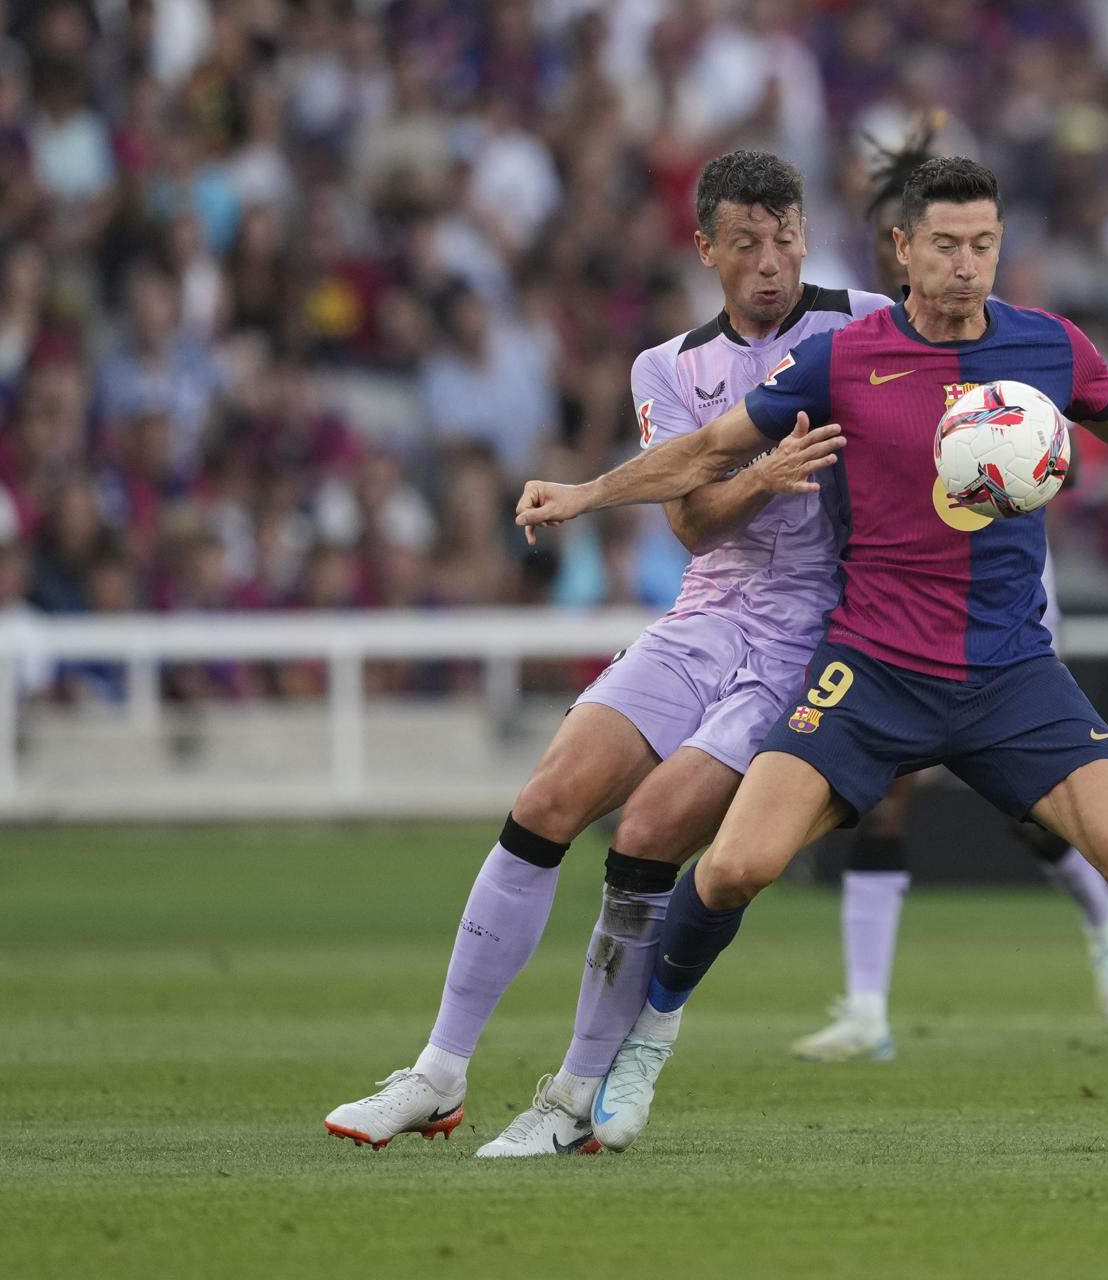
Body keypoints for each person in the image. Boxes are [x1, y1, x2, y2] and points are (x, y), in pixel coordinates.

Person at [515, 157, 1108, 1154]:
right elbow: (705, 453)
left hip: (1009, 673)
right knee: (735, 864)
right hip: (869, 669)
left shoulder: (1048, 347)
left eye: (985, 244)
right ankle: (648, 1040)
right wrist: (585, 492)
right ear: (902, 250)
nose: (968, 265)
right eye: (947, 245)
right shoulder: (846, 356)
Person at [321, 150, 893, 1155]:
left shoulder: (867, 324)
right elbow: (693, 522)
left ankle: (577, 1089)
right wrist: (757, 478)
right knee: (547, 798)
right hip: (706, 616)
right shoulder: (667, 366)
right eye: (747, 242)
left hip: (816, 634)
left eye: (787, 235)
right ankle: (439, 1072)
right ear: (705, 246)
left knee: (653, 829)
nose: (771, 260)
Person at [792, 122, 1108, 1065]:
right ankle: (866, 1006)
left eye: (974, 243)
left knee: (1028, 805)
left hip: (997, 597)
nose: (954, 261)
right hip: (892, 600)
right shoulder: (855, 331)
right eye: (928, 240)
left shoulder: (993, 332)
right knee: (886, 795)